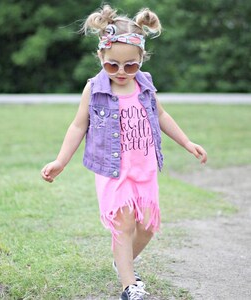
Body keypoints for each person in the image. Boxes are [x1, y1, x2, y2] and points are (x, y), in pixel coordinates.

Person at [41, 4, 207, 300]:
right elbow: (78, 127)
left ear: (141, 59)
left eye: (130, 65)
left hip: (144, 169)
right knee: (124, 220)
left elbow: (162, 116)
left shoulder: (145, 85)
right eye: (112, 65)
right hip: (112, 170)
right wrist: (60, 161)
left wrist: (187, 142)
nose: (121, 72)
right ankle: (130, 284)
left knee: (147, 227)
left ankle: (122, 261)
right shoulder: (94, 89)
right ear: (101, 57)